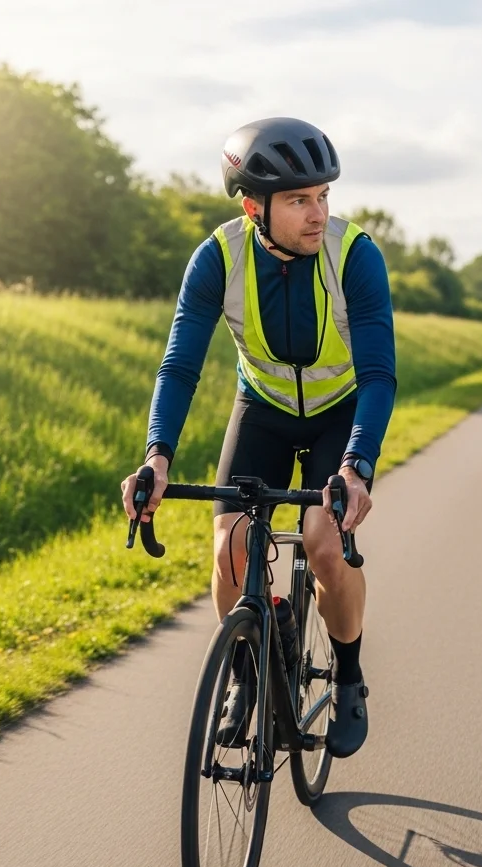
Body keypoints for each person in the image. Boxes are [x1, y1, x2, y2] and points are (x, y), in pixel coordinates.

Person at [121, 117, 396, 758]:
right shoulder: (218, 256)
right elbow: (180, 366)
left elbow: (380, 374)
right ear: (254, 207)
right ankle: (246, 676)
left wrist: (356, 467)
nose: (317, 213)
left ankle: (349, 677)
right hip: (264, 408)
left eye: (323, 196)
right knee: (230, 550)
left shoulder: (354, 255)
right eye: (299, 200)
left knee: (327, 547)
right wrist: (156, 457)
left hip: (339, 412)